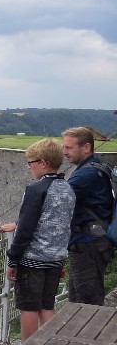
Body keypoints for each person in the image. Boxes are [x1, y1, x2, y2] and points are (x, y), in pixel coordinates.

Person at [2, 138, 75, 341]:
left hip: (32, 260)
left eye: (31, 162)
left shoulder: (35, 190)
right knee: (46, 306)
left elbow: (25, 228)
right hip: (56, 259)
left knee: (28, 308)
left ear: (43, 163)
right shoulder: (67, 189)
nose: (29, 167)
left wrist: (13, 259)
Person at [63, 127, 115, 305]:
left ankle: (90, 333)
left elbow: (56, 198)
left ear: (86, 147)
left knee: (87, 301)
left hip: (88, 243)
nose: (65, 152)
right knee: (77, 298)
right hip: (91, 241)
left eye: (69, 148)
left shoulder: (87, 174)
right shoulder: (94, 168)